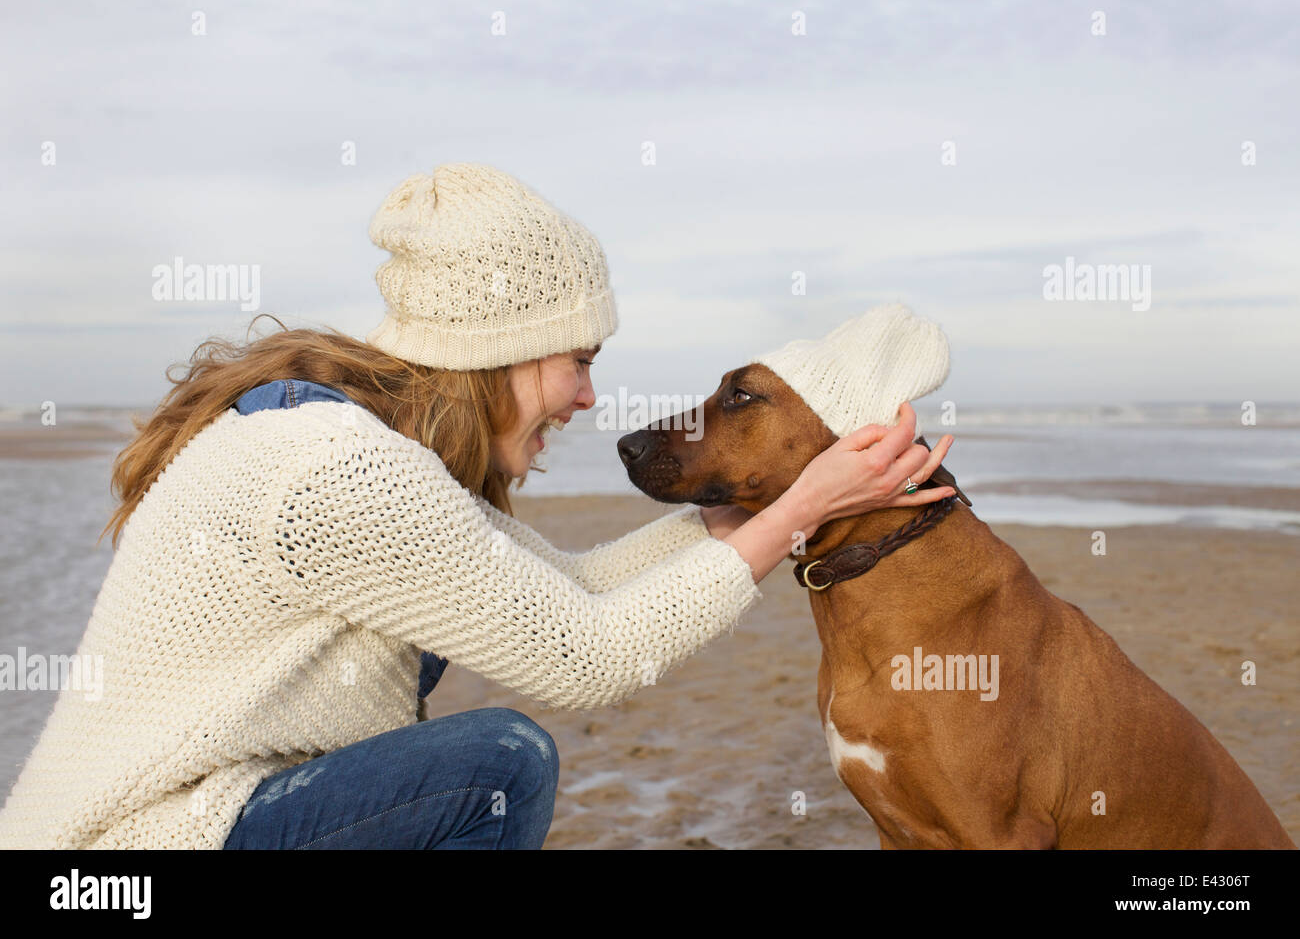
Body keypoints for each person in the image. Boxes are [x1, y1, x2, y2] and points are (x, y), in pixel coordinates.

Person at [0, 163, 955, 850]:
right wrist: (795, 519)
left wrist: (743, 512)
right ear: (499, 348)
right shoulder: (341, 472)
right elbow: (588, 656)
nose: (589, 398)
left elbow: (568, 585)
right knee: (498, 763)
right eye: (578, 362)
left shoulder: (357, 450)